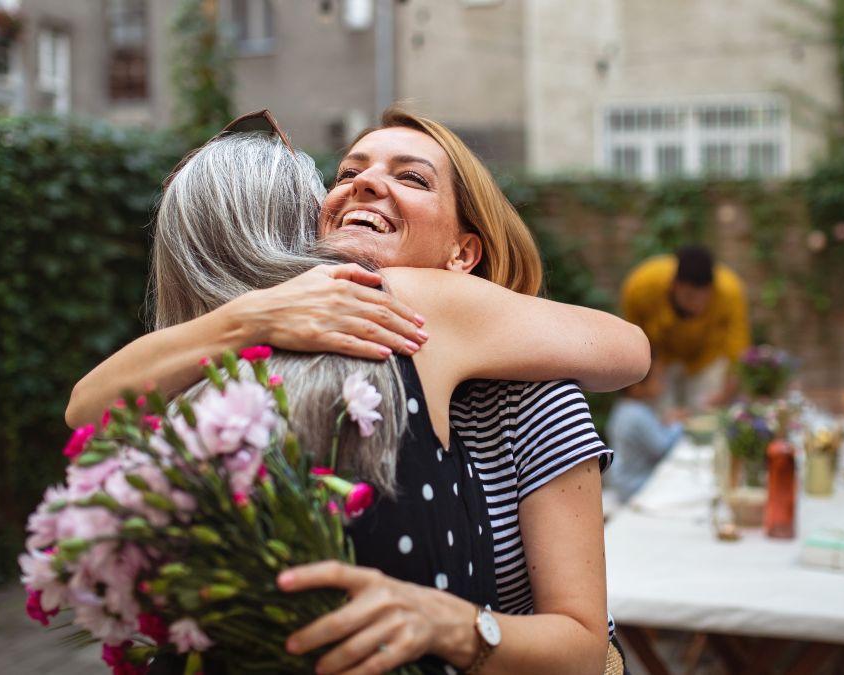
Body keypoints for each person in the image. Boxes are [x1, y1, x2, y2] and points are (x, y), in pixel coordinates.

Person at [69, 108, 648, 674]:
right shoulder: (301, 337)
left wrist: (452, 625)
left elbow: (581, 647)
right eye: (347, 173)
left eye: (411, 177)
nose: (365, 183)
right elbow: (87, 409)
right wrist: (254, 317)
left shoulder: (525, 388)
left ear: (462, 254)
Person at [619, 244, 750, 412]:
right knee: (661, 413)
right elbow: (632, 337)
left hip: (706, 358)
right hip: (661, 358)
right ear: (675, 284)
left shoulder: (730, 292)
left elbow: (738, 351)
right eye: (690, 296)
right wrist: (642, 381)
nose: (697, 305)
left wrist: (726, 394)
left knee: (706, 414)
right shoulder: (641, 286)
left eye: (704, 297)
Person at [604, 361, 683, 501]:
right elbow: (663, 448)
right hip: (635, 485)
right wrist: (677, 425)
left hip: (623, 482)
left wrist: (665, 424)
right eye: (657, 378)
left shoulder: (624, 408)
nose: (662, 383)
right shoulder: (637, 414)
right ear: (636, 385)